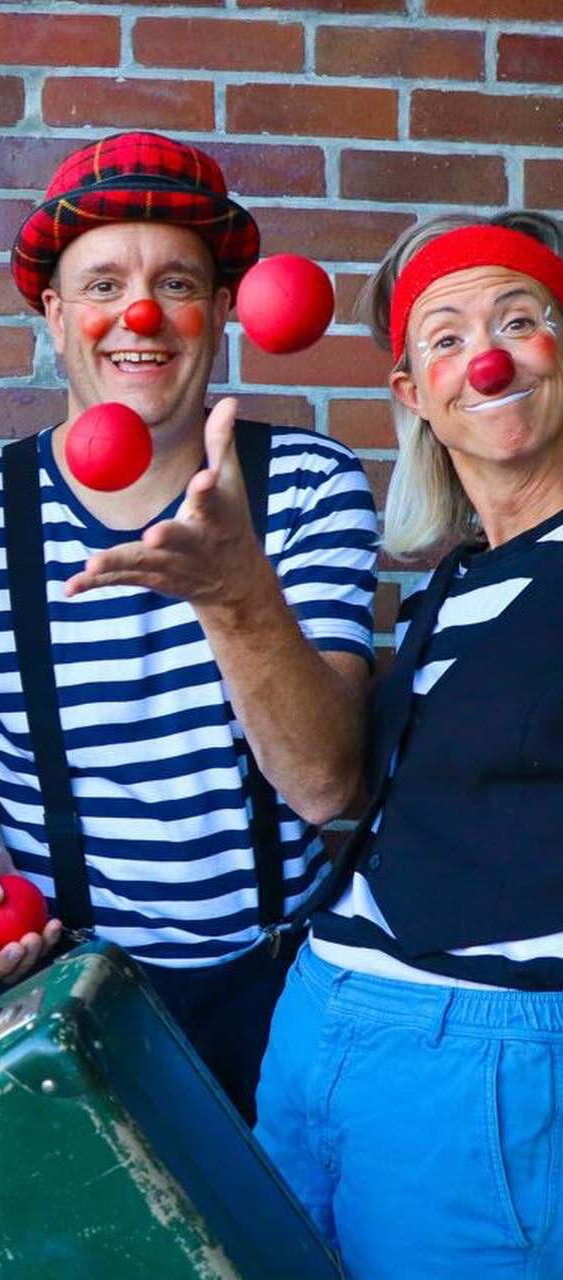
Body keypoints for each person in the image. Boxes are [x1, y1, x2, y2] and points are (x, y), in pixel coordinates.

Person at [0, 131, 379, 1120]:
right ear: (53, 313)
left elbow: (327, 783)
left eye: (176, 283)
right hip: (55, 995)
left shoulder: (311, 488)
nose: (139, 315)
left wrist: (233, 589)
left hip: (279, 990)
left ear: (224, 309)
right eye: (102, 283)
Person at [255, 212, 563, 1278]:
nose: (482, 355)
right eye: (442, 336)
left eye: (517, 320)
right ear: (413, 396)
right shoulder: (453, 578)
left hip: (480, 1066)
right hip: (317, 1029)